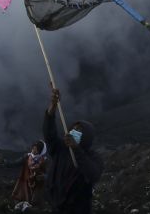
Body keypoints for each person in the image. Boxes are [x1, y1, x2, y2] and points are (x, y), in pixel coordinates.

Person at [43, 85, 103, 214]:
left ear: (87, 136)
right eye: (73, 129)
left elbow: (93, 174)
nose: (74, 131)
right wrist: (52, 107)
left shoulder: (93, 157)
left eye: (79, 130)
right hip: (57, 205)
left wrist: (76, 149)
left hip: (78, 208)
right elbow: (49, 134)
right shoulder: (61, 149)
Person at [3, 140, 48, 206]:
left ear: (40, 151)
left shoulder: (43, 161)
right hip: (25, 182)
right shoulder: (27, 157)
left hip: (37, 184)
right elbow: (16, 163)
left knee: (34, 202)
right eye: (33, 148)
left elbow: (47, 173)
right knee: (21, 198)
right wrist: (8, 163)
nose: (33, 151)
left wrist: (42, 176)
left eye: (36, 150)